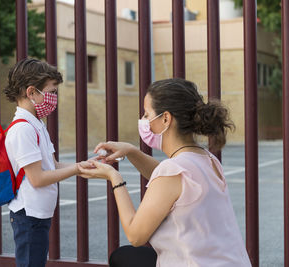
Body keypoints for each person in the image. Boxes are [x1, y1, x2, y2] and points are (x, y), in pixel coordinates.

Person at [78, 78, 252, 267]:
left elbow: (135, 235)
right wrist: (132, 151)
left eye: (147, 114)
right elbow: (171, 184)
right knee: (127, 256)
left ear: (166, 119)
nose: (144, 121)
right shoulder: (207, 159)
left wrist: (114, 177)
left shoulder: (173, 171)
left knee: (124, 256)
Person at [3, 58, 89, 267]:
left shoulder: (36, 124)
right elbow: (38, 178)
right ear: (32, 92)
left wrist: (86, 164)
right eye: (51, 92)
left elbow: (53, 166)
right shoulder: (22, 129)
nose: (54, 98)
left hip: (37, 213)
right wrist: (77, 169)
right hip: (28, 214)